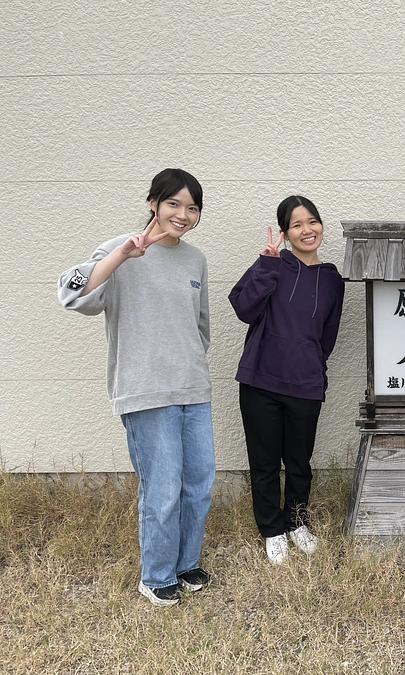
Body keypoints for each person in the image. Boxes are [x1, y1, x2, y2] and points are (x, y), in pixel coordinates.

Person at [58, 169, 215, 607]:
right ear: (153, 203)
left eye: (192, 208)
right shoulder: (122, 248)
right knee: (162, 488)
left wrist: (189, 360)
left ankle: (185, 564)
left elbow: (201, 327)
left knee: (198, 484)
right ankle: (156, 575)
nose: (182, 215)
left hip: (193, 389)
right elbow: (71, 294)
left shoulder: (195, 259)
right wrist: (122, 256)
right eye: (174, 204)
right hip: (145, 390)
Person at [229, 195, 345, 565]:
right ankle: (272, 529)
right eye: (296, 224)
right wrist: (266, 265)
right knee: (264, 463)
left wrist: (311, 365)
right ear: (285, 232)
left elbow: (327, 336)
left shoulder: (333, 280)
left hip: (305, 385)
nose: (307, 230)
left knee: (299, 462)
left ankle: (296, 523)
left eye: (312, 221)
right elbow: (243, 308)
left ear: (320, 226)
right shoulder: (272, 264)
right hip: (260, 381)